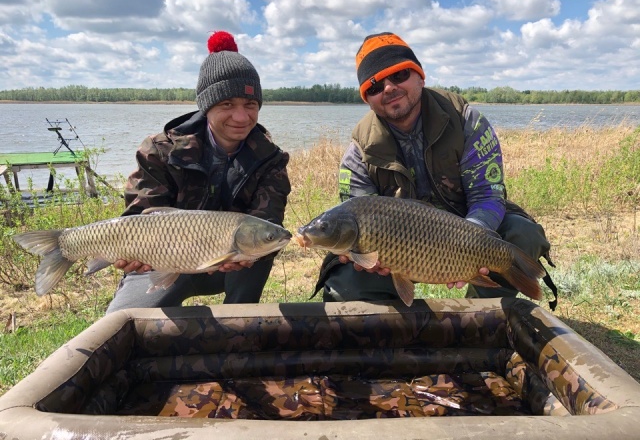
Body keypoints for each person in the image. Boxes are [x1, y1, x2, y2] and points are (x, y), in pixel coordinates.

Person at [316, 32, 555, 307]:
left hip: (466, 231)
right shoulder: (359, 153)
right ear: (367, 99)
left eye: (399, 75)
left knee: (522, 235)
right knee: (346, 279)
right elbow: (358, 218)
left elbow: (487, 195)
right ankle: (392, 326)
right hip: (396, 245)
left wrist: (466, 243)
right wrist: (367, 259)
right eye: (374, 87)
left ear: (420, 76)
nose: (389, 88)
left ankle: (480, 316)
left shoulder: (466, 121)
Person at [106, 31, 291, 314]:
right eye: (227, 104)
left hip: (235, 264)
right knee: (124, 319)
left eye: (250, 105)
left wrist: (243, 253)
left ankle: (238, 325)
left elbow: (268, 221)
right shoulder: (160, 150)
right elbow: (140, 216)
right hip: (163, 260)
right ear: (207, 107)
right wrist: (134, 254)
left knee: (259, 244)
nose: (241, 117)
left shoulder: (270, 159)